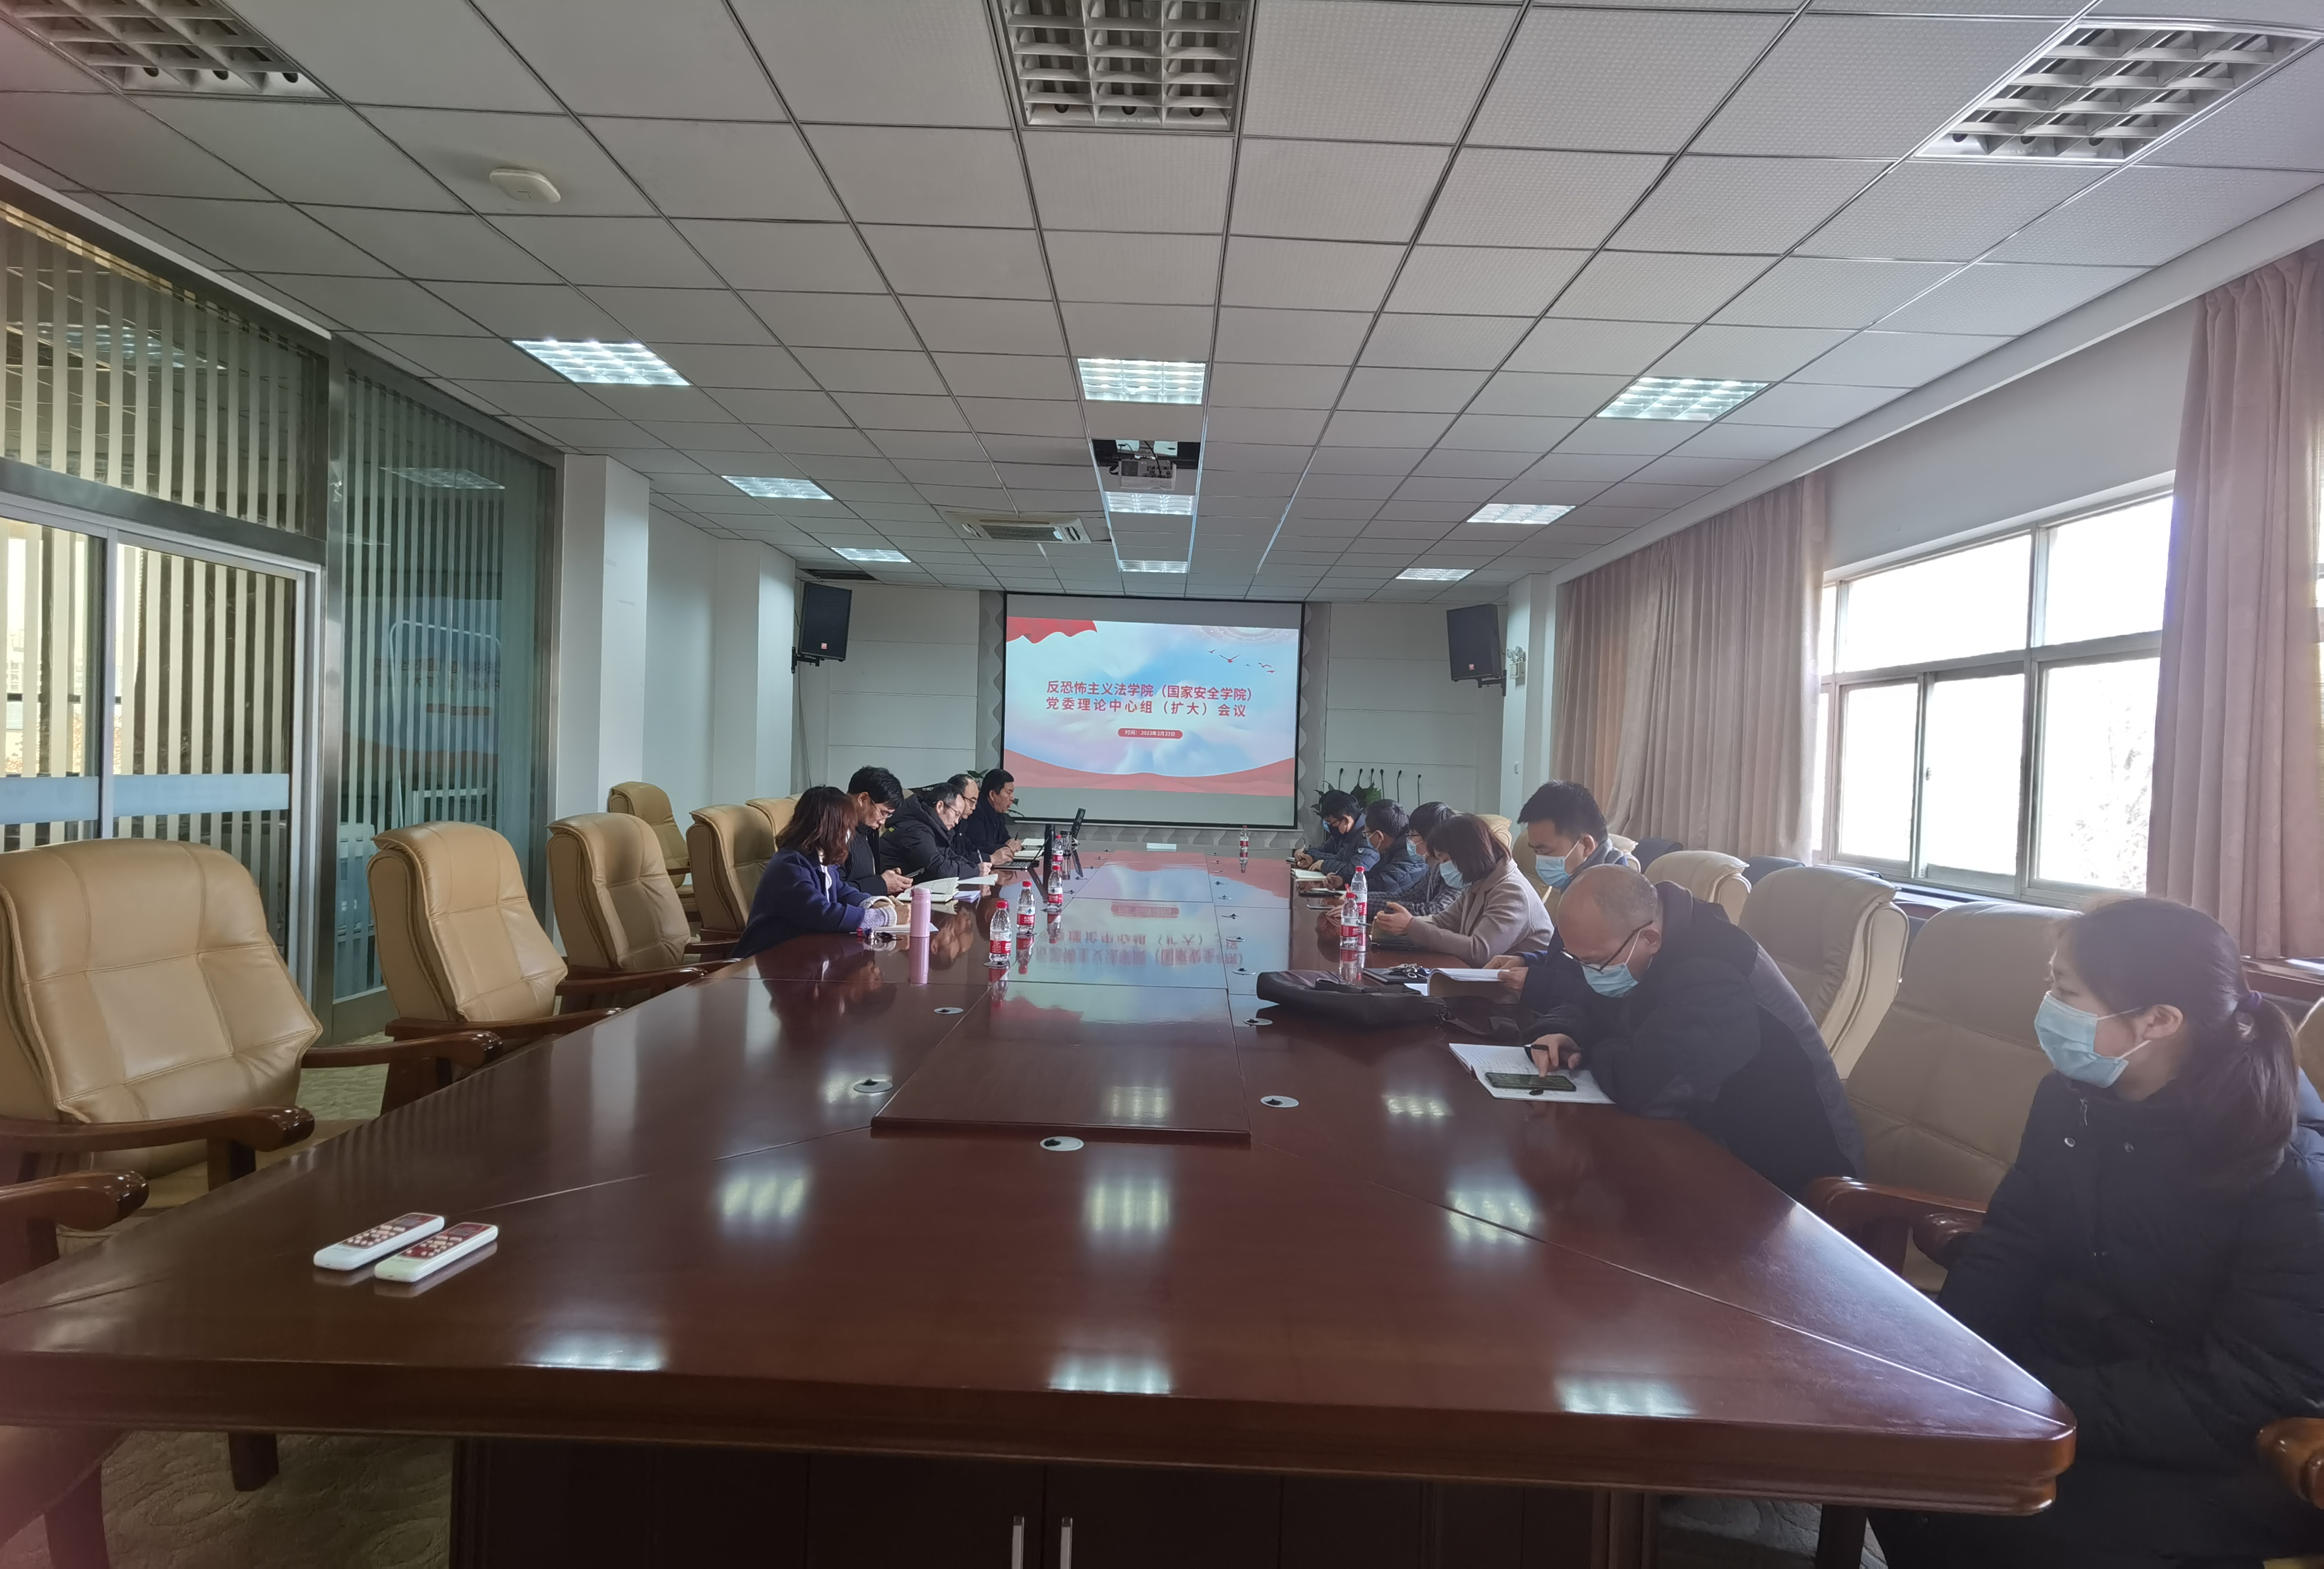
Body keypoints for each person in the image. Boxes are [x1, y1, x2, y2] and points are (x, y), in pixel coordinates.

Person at [1872, 899, 2324, 1569]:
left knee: (2012, 1520)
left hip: (2219, 1451)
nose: (2047, 1008)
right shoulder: (2070, 1102)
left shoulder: (2286, 1172)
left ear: (2159, 1020)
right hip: (2070, 1380)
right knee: (1895, 1454)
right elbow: (2012, 1244)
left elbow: (2251, 1389)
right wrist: (1949, 1367)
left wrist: (2030, 1398)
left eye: (2065, 992)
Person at [1505, 864, 1860, 1198]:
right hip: (1706, 1139)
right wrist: (1564, 1029)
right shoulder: (1639, 943)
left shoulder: (1714, 970)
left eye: (1595, 963)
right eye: (1578, 961)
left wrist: (1591, 1048)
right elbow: (1592, 1002)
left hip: (1790, 1180)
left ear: (1650, 938)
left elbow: (1646, 1087)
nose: (1588, 973)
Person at [1368, 813, 1552, 965]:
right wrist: (1399, 925)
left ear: (1467, 854)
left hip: (1517, 991)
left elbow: (1480, 951)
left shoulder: (1511, 892)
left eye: (1445, 860)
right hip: (1483, 977)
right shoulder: (1478, 883)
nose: (1442, 867)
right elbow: (1443, 921)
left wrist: (1412, 926)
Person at [733, 786, 895, 958]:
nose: (850, 833)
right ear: (828, 828)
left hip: (805, 954)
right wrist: (883, 916)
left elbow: (841, 890)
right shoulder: (790, 865)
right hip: (767, 959)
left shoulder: (819, 857)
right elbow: (822, 913)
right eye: (847, 826)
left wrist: (872, 903)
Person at [1517, 780, 1635, 905]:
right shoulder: (1578, 879)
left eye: (1545, 852)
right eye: (1536, 851)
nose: (1539, 862)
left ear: (1586, 845)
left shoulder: (1617, 898)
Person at [883, 776, 988, 882]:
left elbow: (950, 855)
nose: (957, 821)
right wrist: (975, 870)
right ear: (940, 806)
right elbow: (940, 868)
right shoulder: (916, 830)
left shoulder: (934, 828)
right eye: (956, 814)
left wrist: (974, 867)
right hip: (892, 890)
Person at [1326, 800, 1425, 900]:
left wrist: (1354, 890)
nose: (1366, 838)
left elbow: (1385, 886)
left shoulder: (1410, 852)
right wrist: (1343, 881)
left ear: (1379, 836)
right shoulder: (1392, 848)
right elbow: (1374, 875)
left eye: (1367, 834)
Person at [841, 765, 911, 896]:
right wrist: (881, 884)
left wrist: (887, 880)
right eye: (883, 813)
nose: (883, 822)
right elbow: (832, 891)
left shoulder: (866, 829)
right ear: (863, 799)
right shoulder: (835, 830)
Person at [1396, 801, 1462, 918]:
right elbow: (1409, 897)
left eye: (1412, 835)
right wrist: (1364, 900)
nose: (1409, 841)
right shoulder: (1435, 868)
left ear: (1429, 838)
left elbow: (1433, 911)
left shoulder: (1456, 872)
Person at [1293, 789, 1376, 881]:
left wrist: (1323, 865)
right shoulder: (1348, 833)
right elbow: (1338, 858)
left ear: (1345, 820)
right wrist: (1309, 855)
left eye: (1330, 822)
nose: (1330, 827)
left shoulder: (1368, 836)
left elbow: (1356, 872)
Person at [956, 768, 1020, 864]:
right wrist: (1006, 848)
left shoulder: (998, 812)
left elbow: (1005, 839)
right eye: (1009, 792)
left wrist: (1012, 844)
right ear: (993, 794)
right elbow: (977, 848)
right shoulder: (975, 813)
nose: (1012, 798)